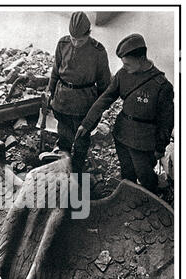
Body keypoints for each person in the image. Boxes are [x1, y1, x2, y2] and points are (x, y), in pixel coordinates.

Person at [73, 33, 174, 194]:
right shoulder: (123, 74)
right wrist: (87, 123)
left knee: (146, 176)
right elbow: (105, 98)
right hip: (122, 133)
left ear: (141, 59)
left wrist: (160, 148)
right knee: (127, 173)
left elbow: (166, 122)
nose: (124, 67)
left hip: (144, 140)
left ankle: (152, 201)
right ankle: (129, 200)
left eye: (127, 64)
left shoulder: (162, 86)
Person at [40, 11, 111, 165]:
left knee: (81, 141)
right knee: (64, 135)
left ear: (89, 34)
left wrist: (95, 110)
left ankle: (78, 168)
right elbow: (55, 72)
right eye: (73, 39)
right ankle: (63, 164)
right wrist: (49, 92)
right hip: (62, 101)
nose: (76, 43)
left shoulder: (98, 51)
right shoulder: (62, 44)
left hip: (84, 104)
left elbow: (104, 85)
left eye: (81, 40)